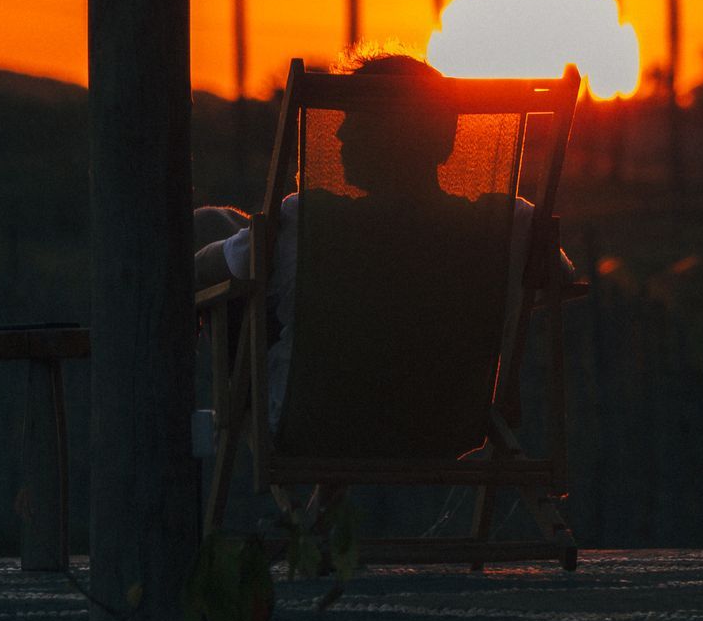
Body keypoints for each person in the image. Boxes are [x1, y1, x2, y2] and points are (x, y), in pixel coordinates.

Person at [194, 53, 544, 431]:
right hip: (448, 425)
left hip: (318, 423)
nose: (340, 133)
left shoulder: (310, 222)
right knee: (223, 225)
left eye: (352, 118)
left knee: (213, 239)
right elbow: (555, 278)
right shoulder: (509, 224)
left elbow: (204, 270)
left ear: (389, 135)